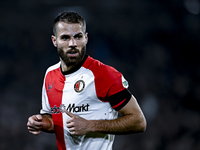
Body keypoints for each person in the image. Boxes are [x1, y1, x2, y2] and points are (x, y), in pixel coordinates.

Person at [27, 11, 146, 150]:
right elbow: (56, 120)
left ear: (86, 38)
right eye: (65, 38)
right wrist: (41, 123)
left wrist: (89, 125)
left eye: (78, 37)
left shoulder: (104, 74)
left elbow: (139, 121)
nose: (72, 43)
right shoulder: (50, 74)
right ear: (54, 41)